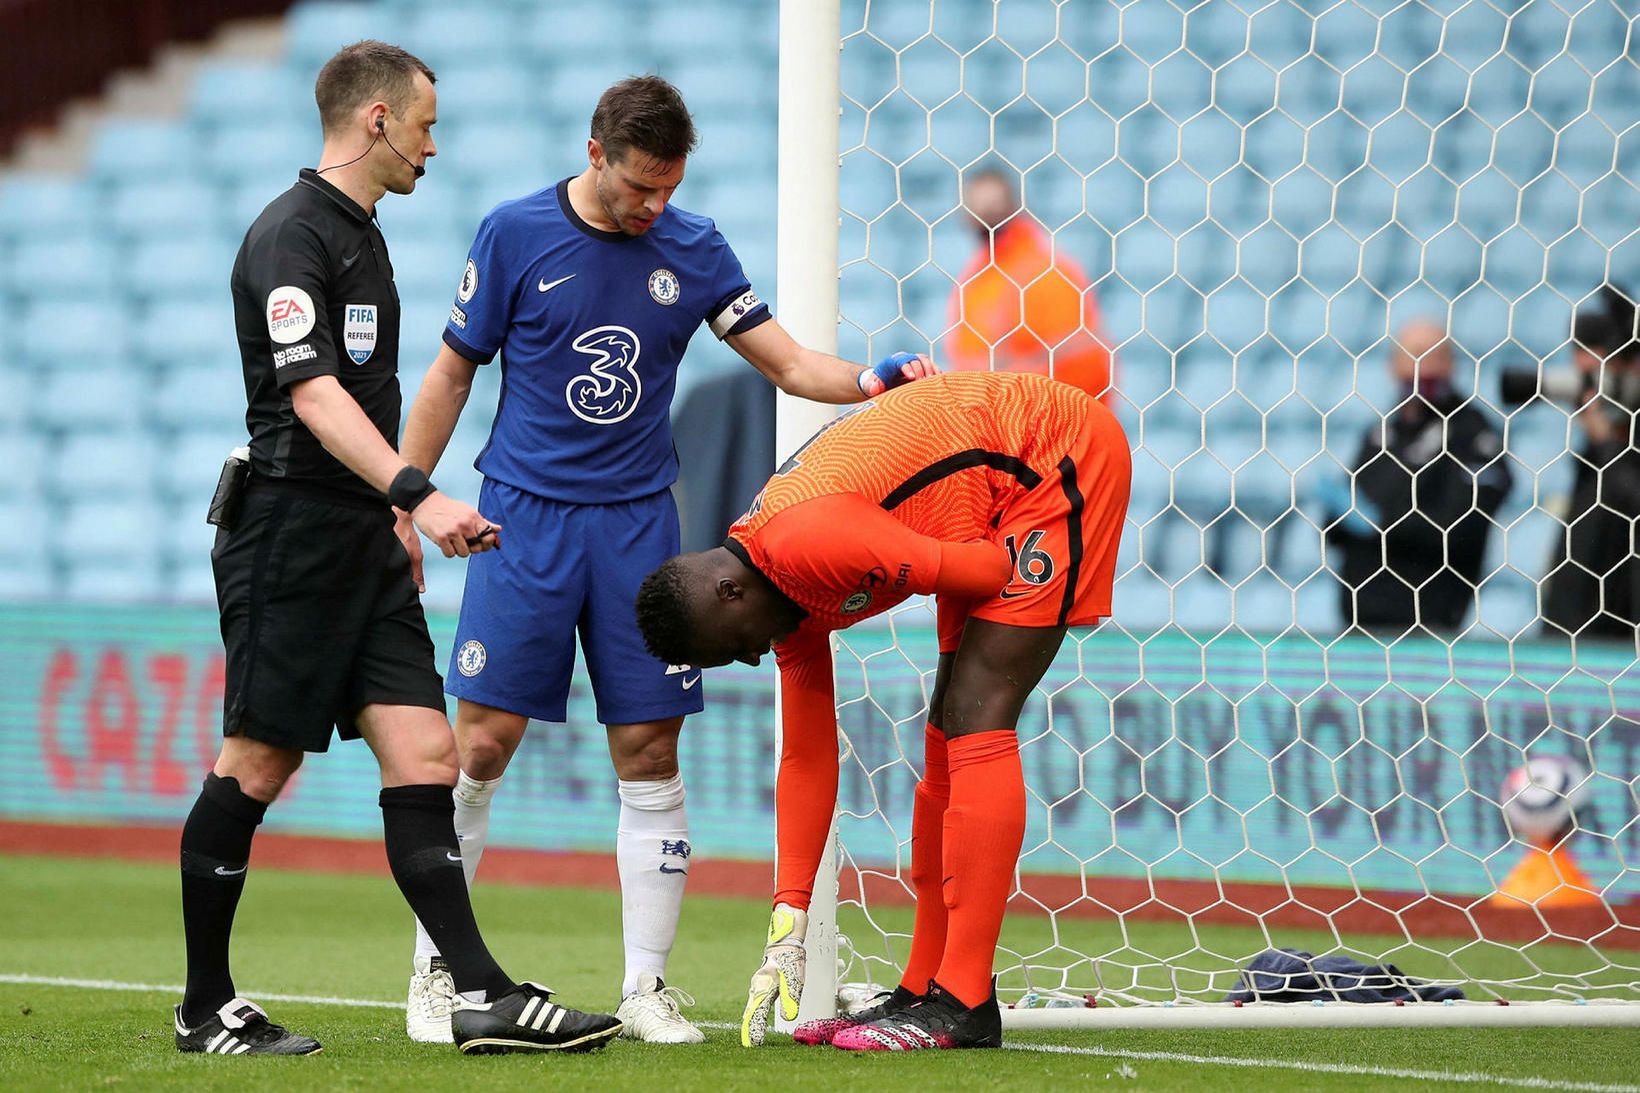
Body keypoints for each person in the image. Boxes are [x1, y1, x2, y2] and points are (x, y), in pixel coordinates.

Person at [397, 74, 936, 1044]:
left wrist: (867, 379)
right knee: (478, 747)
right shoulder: (513, 234)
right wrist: (407, 496)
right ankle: (437, 969)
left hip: (640, 525)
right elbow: (448, 373)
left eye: (669, 189)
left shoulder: (692, 246)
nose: (655, 207)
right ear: (595, 152)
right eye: (640, 188)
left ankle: (645, 987)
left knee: (648, 752)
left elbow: (785, 363)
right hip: (523, 518)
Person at [177, 41, 619, 1056]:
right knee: (256, 758)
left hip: (359, 538)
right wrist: (416, 497)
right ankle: (206, 1007)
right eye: (424, 122)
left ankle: (480, 993)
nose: (433, 142)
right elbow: (315, 395)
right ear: (374, 118)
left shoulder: (361, 234)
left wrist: (388, 523)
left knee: (427, 752)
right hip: (288, 531)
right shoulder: (291, 235)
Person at [634, 371, 1131, 1051]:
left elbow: (987, 571)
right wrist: (790, 918)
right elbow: (805, 757)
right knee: (944, 729)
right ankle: (925, 984)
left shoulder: (810, 540)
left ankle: (965, 1001)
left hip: (1051, 455)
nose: (753, 658)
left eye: (735, 648)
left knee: (979, 711)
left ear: (729, 591)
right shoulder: (779, 602)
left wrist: (918, 552)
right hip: (982, 497)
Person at [1322, 320, 1512, 634]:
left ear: (1450, 364)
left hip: (1429, 621)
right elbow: (1339, 522)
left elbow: (1459, 525)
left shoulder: (1472, 434)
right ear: (1392, 365)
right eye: (1409, 354)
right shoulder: (1381, 432)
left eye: (1428, 353)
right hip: (1359, 621)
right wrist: (1340, 516)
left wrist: (1380, 525)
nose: (1418, 365)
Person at [944, 167, 1113, 403]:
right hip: (992, 422)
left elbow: (1082, 360)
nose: (985, 212)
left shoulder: (1047, 272)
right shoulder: (976, 277)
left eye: (994, 204)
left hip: (1041, 421)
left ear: (1014, 207)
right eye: (977, 205)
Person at [1541, 285, 1640, 643]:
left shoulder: (1615, 448)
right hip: (1570, 637)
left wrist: (1608, 444)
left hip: (1619, 641)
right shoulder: (1596, 449)